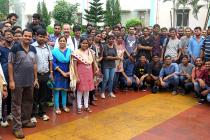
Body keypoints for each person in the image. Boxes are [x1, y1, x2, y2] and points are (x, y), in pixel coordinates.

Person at [8, 29, 38, 139]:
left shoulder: (33, 49)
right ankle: (17, 128)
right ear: (22, 36)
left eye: (29, 36)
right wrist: (11, 80)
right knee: (16, 104)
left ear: (32, 37)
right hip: (17, 81)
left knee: (28, 102)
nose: (27, 38)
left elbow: (34, 64)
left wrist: (36, 79)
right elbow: (10, 64)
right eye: (25, 36)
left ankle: (25, 121)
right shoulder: (15, 48)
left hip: (29, 80)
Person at [31, 29, 53, 122]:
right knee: (34, 95)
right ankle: (32, 115)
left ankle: (42, 113)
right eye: (40, 36)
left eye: (44, 37)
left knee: (43, 95)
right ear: (36, 36)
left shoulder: (47, 47)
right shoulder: (32, 47)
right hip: (35, 75)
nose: (42, 38)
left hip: (45, 75)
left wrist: (51, 72)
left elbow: (50, 60)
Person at [72, 37, 99, 114]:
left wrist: (96, 70)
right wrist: (76, 76)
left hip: (89, 73)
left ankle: (86, 106)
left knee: (87, 90)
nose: (85, 44)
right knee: (80, 90)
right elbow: (74, 66)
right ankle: (79, 107)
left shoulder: (91, 52)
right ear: (80, 43)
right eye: (83, 43)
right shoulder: (76, 52)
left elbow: (94, 62)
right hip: (80, 73)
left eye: (86, 43)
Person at [52, 36, 72, 115]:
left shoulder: (70, 51)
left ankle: (64, 106)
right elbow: (53, 63)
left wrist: (69, 71)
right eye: (61, 41)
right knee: (56, 91)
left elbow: (72, 63)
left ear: (66, 42)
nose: (62, 42)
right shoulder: (54, 51)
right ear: (58, 42)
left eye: (64, 41)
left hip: (67, 73)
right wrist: (62, 72)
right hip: (57, 73)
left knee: (64, 91)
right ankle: (57, 107)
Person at [0, 29, 14, 127]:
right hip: (3, 77)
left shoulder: (15, 48)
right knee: (3, 97)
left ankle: (8, 114)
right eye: (7, 35)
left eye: (11, 34)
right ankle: (3, 118)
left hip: (13, 76)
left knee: (10, 96)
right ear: (4, 37)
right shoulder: (1, 48)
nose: (9, 36)